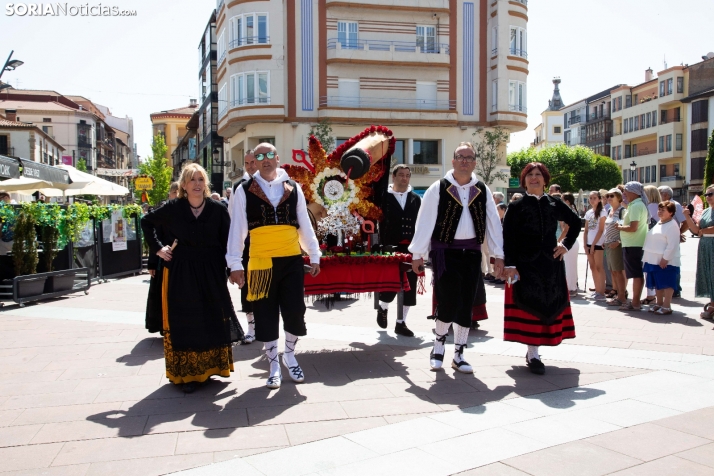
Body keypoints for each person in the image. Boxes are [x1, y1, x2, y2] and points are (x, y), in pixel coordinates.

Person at [140, 163, 244, 394]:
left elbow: (228, 241)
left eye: (201, 179)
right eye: (192, 180)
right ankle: (187, 375)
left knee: (211, 317)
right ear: (184, 185)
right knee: (186, 320)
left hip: (211, 270)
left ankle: (210, 369)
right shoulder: (173, 208)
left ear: (205, 184)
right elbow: (146, 223)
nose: (197, 184)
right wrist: (157, 248)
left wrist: (232, 269)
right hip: (181, 271)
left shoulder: (217, 209)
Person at [227, 142, 321, 389]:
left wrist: (314, 254)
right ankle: (273, 364)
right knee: (266, 315)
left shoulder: (294, 187)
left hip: (291, 259)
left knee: (294, 311)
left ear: (278, 158)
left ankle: (289, 355)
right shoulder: (244, 189)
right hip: (260, 262)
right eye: (259, 156)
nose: (265, 159)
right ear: (254, 161)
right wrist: (235, 263)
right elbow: (237, 229)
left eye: (269, 154)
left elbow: (304, 224)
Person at [409, 142, 504, 374]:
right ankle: (438, 346)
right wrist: (417, 253)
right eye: (460, 156)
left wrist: (498, 254)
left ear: (474, 162)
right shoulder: (438, 187)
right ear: (453, 161)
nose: (464, 161)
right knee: (448, 301)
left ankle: (459, 353)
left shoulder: (482, 189)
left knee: (466, 304)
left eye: (469, 157)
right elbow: (425, 221)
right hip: (445, 253)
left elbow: (493, 223)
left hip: (472, 253)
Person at [502, 163, 581, 374]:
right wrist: (510, 265)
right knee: (530, 305)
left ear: (545, 180)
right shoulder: (516, 207)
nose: (534, 178)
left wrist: (565, 245)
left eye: (538, 175)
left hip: (550, 264)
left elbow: (576, 222)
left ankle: (535, 350)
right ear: (524, 180)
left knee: (547, 305)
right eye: (530, 175)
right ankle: (533, 354)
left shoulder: (554, 203)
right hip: (525, 265)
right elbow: (508, 237)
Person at [377, 164, 421, 337]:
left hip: (411, 248)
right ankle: (383, 307)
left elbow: (422, 224)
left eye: (407, 175)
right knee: (390, 283)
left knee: (410, 285)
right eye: (401, 175)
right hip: (389, 248)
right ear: (393, 177)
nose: (404, 178)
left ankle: (401, 323)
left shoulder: (416, 199)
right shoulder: (383, 198)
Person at [230, 149, 259, 343]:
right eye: (247, 163)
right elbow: (233, 217)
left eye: (253, 162)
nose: (250, 166)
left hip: (266, 242)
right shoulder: (238, 186)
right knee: (246, 285)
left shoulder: (271, 182)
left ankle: (266, 325)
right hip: (247, 243)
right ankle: (251, 327)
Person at [642, 200, 681, 315]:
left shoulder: (672, 225)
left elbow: (672, 244)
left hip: (666, 261)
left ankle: (667, 306)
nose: (659, 212)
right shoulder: (660, 223)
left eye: (663, 210)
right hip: (653, 259)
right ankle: (659, 303)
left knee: (667, 282)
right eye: (659, 209)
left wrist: (666, 258)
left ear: (671, 212)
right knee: (657, 282)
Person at [617, 182, 650, 311]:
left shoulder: (636, 206)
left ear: (634, 192)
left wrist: (619, 227)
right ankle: (635, 302)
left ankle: (635, 302)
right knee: (636, 273)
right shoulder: (635, 204)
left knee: (636, 274)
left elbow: (633, 227)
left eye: (626, 191)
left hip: (634, 244)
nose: (624, 193)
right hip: (633, 244)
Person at [683, 185, 714, 319]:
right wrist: (687, 217)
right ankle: (712, 304)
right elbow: (696, 230)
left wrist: (704, 231)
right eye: (706, 194)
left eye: (711, 194)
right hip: (705, 245)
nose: (708, 197)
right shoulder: (706, 211)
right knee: (708, 275)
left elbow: (704, 230)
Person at [658, 186, 688, 298]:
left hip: (671, 239)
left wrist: (678, 233)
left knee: (673, 263)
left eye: (659, 193)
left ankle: (675, 289)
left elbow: (685, 222)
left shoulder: (675, 205)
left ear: (666, 195)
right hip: (662, 239)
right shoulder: (661, 206)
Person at [603, 189, 627, 306]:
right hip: (608, 244)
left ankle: (621, 297)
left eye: (611, 195)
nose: (609, 198)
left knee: (618, 271)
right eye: (607, 196)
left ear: (619, 197)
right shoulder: (609, 210)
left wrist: (618, 241)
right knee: (613, 271)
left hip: (616, 244)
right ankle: (618, 294)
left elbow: (624, 228)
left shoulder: (622, 211)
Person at [584, 191, 607, 300]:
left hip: (597, 243)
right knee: (593, 267)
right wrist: (585, 244)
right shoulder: (588, 212)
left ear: (599, 199)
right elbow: (586, 230)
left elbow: (601, 230)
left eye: (594, 198)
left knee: (599, 267)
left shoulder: (602, 212)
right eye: (590, 198)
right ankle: (597, 289)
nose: (592, 200)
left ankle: (601, 292)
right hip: (589, 243)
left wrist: (593, 245)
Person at [561, 193, 580, 295]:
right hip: (571, 242)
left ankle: (571, 288)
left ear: (567, 201)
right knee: (570, 266)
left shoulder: (570, 213)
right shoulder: (571, 211)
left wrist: (559, 240)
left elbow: (566, 230)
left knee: (569, 266)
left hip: (569, 242)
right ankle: (572, 287)